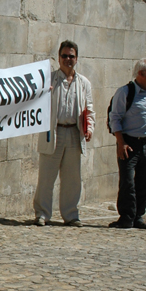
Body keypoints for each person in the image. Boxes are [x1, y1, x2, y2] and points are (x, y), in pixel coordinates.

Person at [33, 40, 95, 227]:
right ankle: (42, 213)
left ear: (77, 59)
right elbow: (34, 101)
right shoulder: (49, 79)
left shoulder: (83, 83)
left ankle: (70, 214)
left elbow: (89, 109)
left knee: (72, 178)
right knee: (46, 176)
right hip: (54, 132)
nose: (68, 59)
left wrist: (89, 128)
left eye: (71, 56)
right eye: (64, 56)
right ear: (58, 58)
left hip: (74, 133)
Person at [109, 59, 146, 230]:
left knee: (145, 180)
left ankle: (138, 215)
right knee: (128, 182)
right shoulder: (125, 92)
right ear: (141, 73)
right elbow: (115, 117)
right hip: (129, 142)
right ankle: (126, 216)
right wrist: (120, 142)